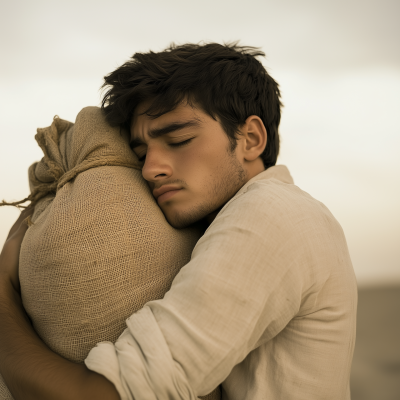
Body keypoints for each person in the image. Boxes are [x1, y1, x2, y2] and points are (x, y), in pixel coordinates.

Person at [0, 43, 357, 400]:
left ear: (250, 139)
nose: (152, 168)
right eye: (141, 153)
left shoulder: (272, 213)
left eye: (178, 139)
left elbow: (103, 395)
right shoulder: (251, 219)